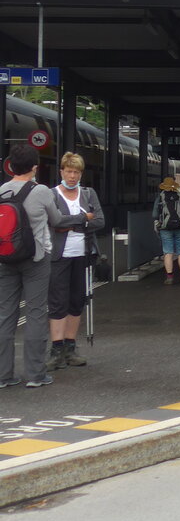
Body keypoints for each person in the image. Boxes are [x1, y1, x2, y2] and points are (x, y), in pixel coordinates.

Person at [0, 144, 65, 388]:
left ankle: (4, 375)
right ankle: (36, 375)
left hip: (6, 259)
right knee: (36, 313)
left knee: (5, 315)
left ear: (11, 166)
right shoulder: (42, 192)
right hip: (36, 259)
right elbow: (57, 220)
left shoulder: (2, 190)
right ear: (35, 167)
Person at [48, 152, 104, 370]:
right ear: (61, 172)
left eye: (76, 172)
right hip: (59, 256)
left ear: (81, 174)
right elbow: (54, 221)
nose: (72, 176)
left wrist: (68, 224)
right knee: (57, 302)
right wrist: (82, 218)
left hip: (83, 254)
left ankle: (70, 347)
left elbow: (100, 220)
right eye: (69, 171)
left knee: (77, 300)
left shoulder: (89, 194)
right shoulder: (52, 195)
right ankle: (56, 348)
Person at [153, 177, 180, 284]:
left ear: (164, 186)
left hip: (165, 228)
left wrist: (157, 223)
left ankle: (169, 277)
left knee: (168, 252)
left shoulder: (160, 198)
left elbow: (155, 214)